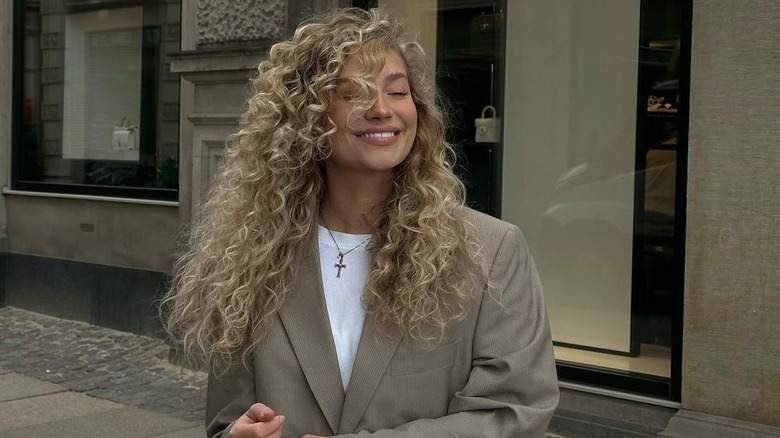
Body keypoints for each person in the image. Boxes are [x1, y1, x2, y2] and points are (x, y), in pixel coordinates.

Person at [162, 8, 559, 438]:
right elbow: (226, 417)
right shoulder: (251, 256)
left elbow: (515, 411)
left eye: (398, 91)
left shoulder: (490, 249)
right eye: (352, 93)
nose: (381, 110)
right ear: (306, 118)